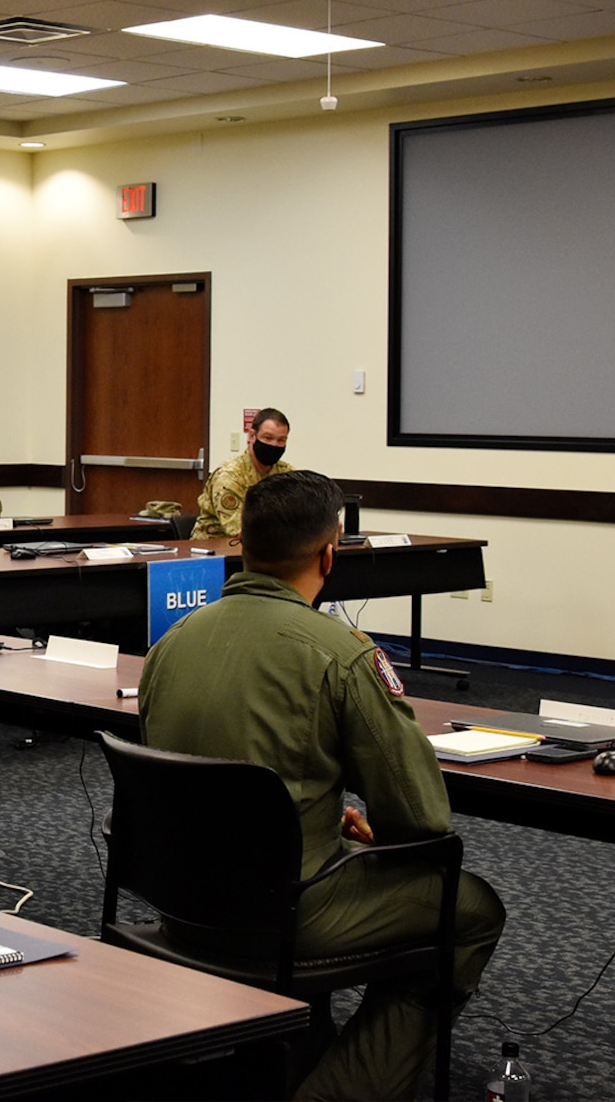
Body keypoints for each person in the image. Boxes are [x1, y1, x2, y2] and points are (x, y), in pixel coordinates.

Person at [140, 470, 504, 1102]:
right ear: (330, 552)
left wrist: (312, 809)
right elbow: (420, 820)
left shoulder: (170, 643)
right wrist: (361, 832)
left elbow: (194, 765)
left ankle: (288, 1047)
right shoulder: (342, 653)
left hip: (173, 898)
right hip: (283, 911)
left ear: (241, 546)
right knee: (470, 910)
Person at [192, 406, 294, 540]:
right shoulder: (229, 476)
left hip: (264, 549)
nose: (274, 445)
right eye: (268, 438)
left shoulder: (286, 474)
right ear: (252, 436)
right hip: (215, 549)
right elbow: (239, 531)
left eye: (281, 440)